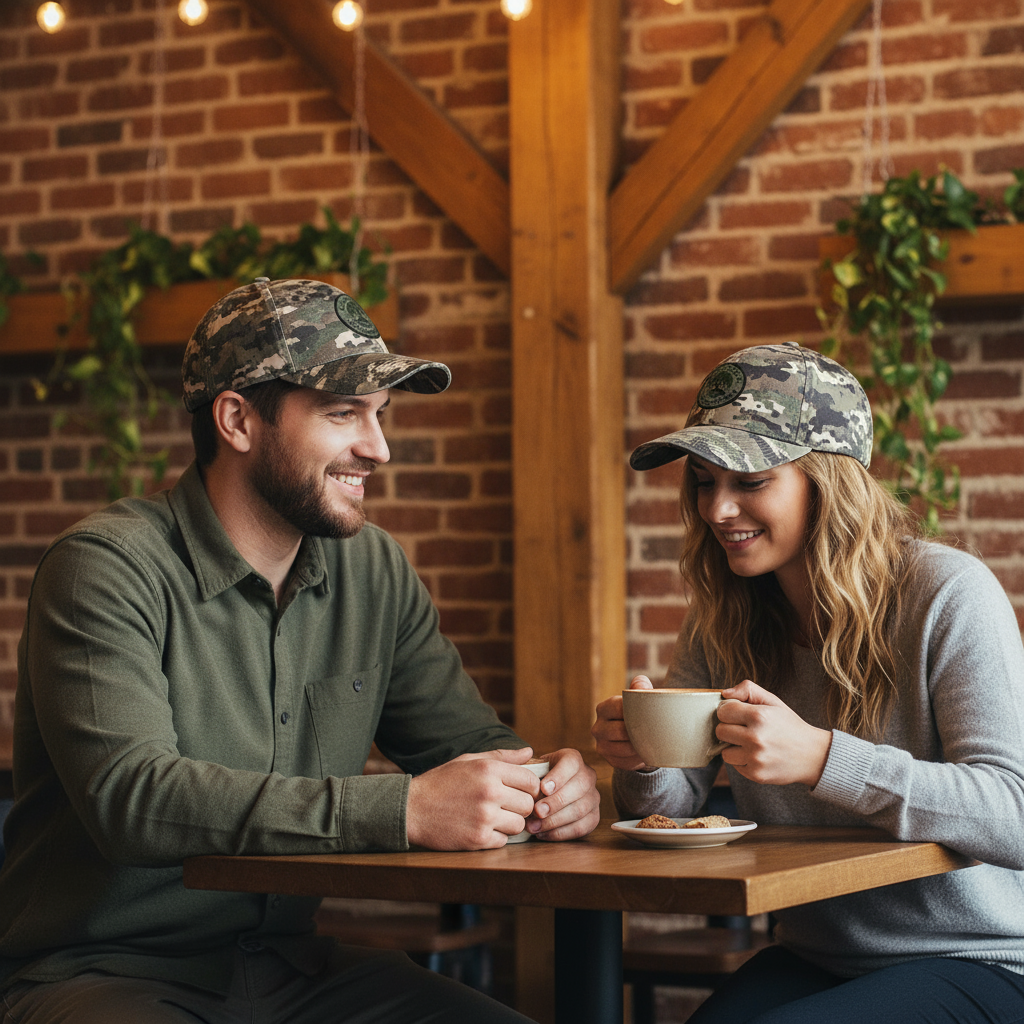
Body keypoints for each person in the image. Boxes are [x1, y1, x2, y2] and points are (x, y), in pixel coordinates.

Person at [0, 277, 600, 1024]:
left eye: (380, 416)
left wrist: (545, 788)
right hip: (104, 974)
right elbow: (133, 800)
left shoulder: (374, 571)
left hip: (297, 969)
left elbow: (470, 746)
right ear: (237, 421)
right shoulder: (105, 566)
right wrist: (404, 810)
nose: (377, 448)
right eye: (343, 413)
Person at [593, 342, 1024, 1024]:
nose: (716, 509)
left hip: (981, 959)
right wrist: (645, 762)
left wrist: (825, 760)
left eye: (750, 481)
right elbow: (677, 804)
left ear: (829, 481)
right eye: (704, 482)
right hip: (819, 954)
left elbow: (1014, 813)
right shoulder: (727, 616)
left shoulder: (947, 593)